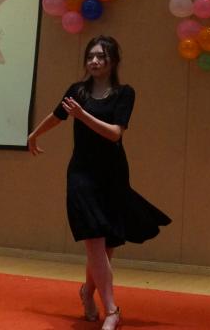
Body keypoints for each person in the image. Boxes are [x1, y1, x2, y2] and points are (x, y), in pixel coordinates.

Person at [28, 35, 170, 330]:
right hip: (81, 174)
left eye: (101, 56)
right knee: (93, 238)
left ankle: (86, 292)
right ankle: (113, 310)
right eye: (90, 56)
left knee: (105, 248)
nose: (94, 61)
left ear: (112, 61)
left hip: (112, 174)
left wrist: (82, 115)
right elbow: (57, 115)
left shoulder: (124, 93)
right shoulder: (77, 91)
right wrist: (35, 134)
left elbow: (115, 133)